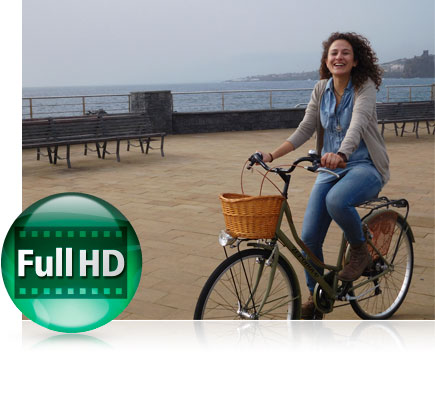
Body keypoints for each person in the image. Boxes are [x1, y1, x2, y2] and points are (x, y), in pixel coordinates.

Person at [256, 32, 389, 319]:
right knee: (308, 240)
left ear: (355, 61)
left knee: (337, 201)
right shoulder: (320, 89)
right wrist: (271, 155)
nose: (338, 57)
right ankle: (317, 298)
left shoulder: (364, 87)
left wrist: (342, 153)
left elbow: (358, 123)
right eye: (333, 53)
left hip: (364, 166)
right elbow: (306, 128)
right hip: (329, 169)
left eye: (345, 53)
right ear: (326, 61)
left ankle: (360, 250)